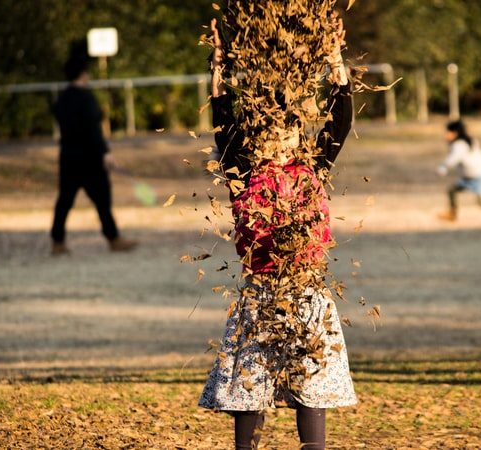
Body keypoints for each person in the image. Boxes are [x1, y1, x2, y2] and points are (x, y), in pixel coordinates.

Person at [198, 18, 357, 450]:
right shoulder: (243, 175)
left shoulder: (313, 170)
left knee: (311, 384)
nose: (279, 139)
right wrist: (218, 65)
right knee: (250, 385)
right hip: (260, 294)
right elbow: (222, 118)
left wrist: (335, 61)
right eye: (268, 132)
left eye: (287, 131)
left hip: (306, 295)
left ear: (297, 135)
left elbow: (340, 121)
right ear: (256, 138)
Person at [50, 46, 137, 255]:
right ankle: (113, 238)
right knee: (102, 200)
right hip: (90, 159)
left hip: (68, 157)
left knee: (64, 200)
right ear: (83, 74)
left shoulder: (62, 99)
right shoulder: (86, 98)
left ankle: (57, 242)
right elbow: (93, 130)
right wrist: (105, 153)